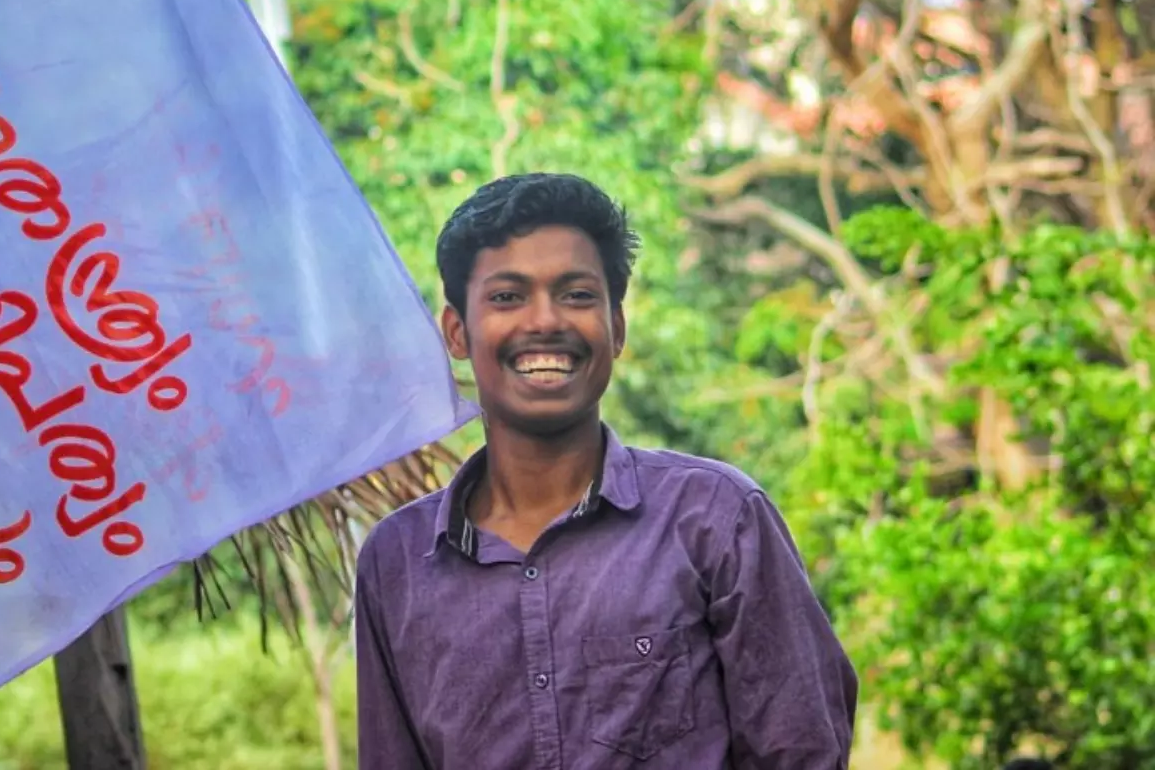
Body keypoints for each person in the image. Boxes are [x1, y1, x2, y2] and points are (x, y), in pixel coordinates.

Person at [353, 173, 858, 769]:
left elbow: (803, 752)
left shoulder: (716, 520)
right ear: (457, 331)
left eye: (576, 295)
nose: (545, 321)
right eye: (508, 297)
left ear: (616, 328)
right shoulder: (397, 563)